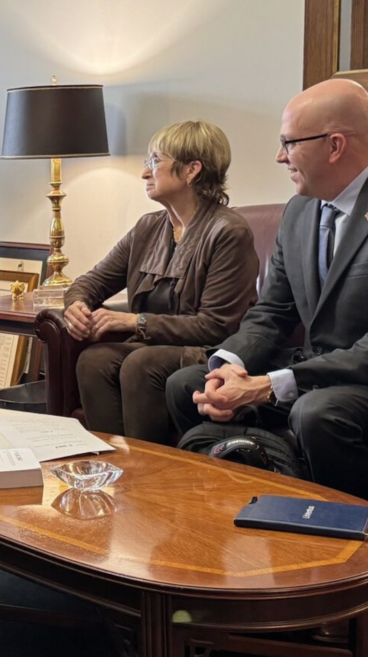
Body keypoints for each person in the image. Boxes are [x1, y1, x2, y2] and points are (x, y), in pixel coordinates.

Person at [166, 79, 368, 499]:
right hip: (315, 373)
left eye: (289, 143)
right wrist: (228, 365)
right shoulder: (300, 209)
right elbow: (272, 313)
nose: (279, 156)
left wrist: (270, 384)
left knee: (318, 412)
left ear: (334, 145)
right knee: (189, 383)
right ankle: (227, 520)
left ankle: (347, 546)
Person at [62, 120, 258, 444]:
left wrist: (134, 321)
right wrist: (77, 305)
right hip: (157, 345)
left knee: (141, 362)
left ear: (192, 170)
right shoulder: (148, 227)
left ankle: (149, 475)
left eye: (155, 161)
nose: (144, 173)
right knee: (94, 359)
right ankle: (110, 468)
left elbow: (216, 326)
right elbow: (91, 281)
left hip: (211, 350)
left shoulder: (228, 232)